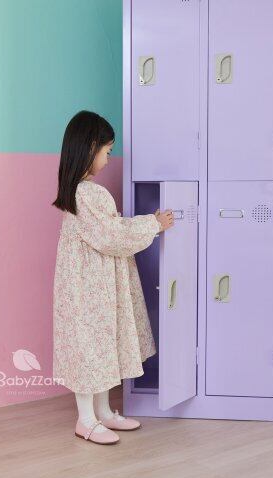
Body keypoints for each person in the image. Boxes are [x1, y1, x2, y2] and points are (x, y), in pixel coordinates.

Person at [51, 110, 174, 445]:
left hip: (96, 283)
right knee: (89, 348)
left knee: (102, 345)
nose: (109, 159)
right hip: (88, 286)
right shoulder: (86, 194)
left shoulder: (82, 192)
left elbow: (110, 232)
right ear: (91, 147)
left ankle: (103, 412)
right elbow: (111, 235)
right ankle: (86, 420)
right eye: (107, 151)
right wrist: (153, 223)